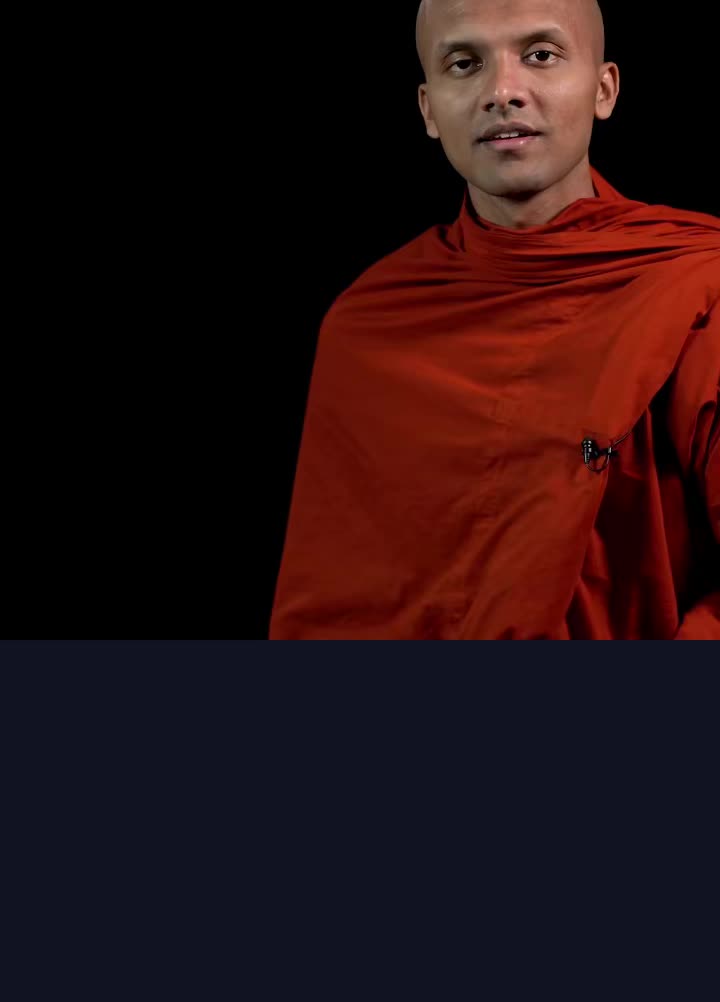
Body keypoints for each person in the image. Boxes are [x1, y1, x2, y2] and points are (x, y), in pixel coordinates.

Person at [270, 0, 720, 640]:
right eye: (464, 63)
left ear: (604, 89)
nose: (502, 91)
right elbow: (334, 604)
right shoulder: (370, 324)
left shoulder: (694, 288)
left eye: (540, 55)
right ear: (429, 108)